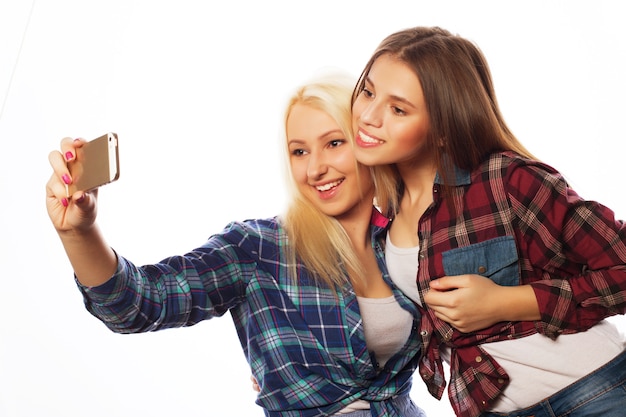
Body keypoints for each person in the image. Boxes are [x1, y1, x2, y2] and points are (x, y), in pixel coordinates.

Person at [45, 72, 429, 417]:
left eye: (333, 143)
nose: (315, 169)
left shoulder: (405, 243)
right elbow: (138, 302)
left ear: (365, 142)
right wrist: (78, 232)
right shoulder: (260, 248)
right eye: (299, 151)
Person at [350, 26, 626, 417]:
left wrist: (506, 301)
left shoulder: (507, 181)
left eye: (398, 109)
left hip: (595, 393)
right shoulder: (383, 219)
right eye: (368, 91)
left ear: (443, 128)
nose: (369, 116)